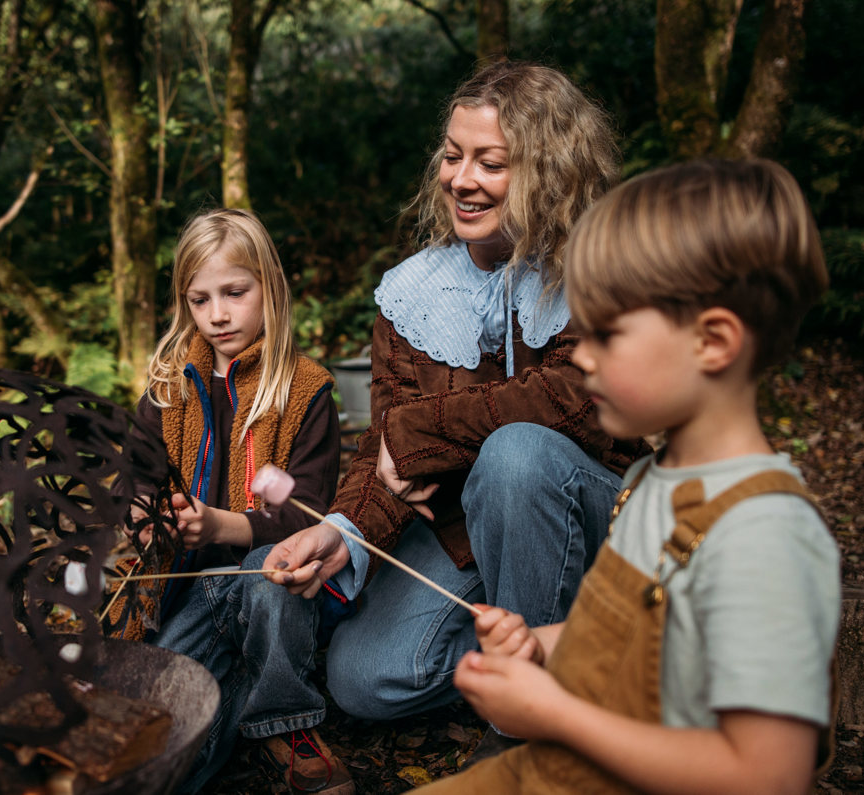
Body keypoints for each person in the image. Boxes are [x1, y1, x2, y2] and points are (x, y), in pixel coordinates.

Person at [411, 158, 839, 793]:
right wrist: (538, 644)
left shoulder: (763, 535)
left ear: (714, 342)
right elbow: (629, 641)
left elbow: (765, 775)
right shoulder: (648, 479)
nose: (579, 353)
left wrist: (552, 713)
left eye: (606, 333)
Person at [264, 61, 648, 742]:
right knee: (366, 678)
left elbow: (576, 399)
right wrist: (341, 530)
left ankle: (535, 729)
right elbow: (385, 454)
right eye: (452, 155)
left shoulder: (602, 265)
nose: (461, 179)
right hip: (468, 528)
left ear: (549, 171)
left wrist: (421, 431)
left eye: (490, 162)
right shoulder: (413, 292)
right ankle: (577, 654)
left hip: (598, 518)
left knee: (518, 454)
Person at [122, 208, 353, 794]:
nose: (218, 314)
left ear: (268, 289)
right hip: (189, 587)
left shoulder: (302, 389)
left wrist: (223, 524)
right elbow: (137, 481)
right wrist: (144, 519)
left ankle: (286, 717)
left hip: (269, 577)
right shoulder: (169, 388)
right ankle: (238, 698)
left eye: (234, 292)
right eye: (200, 300)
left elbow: (304, 511)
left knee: (265, 577)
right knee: (166, 715)